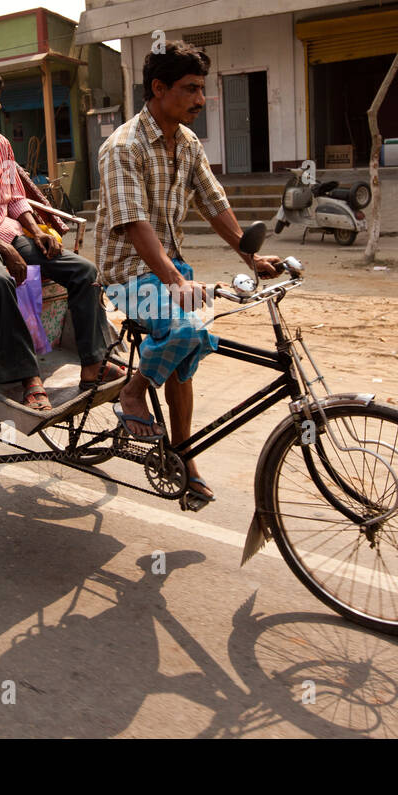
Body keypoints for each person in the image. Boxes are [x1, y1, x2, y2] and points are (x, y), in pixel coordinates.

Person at [96, 41, 282, 507]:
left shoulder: (188, 141)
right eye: (191, 89)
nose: (201, 99)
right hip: (128, 272)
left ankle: (182, 455)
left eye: (203, 89)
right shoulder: (122, 147)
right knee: (185, 327)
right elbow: (136, 226)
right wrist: (177, 285)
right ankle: (133, 391)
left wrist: (249, 256)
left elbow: (213, 201)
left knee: (187, 347)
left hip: (169, 266)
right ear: (158, 89)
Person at [0, 63, 120, 411]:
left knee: (84, 271)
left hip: (10, 233)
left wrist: (36, 229)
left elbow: (14, 199)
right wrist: (4, 250)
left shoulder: (0, 144)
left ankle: (92, 363)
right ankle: (28, 376)